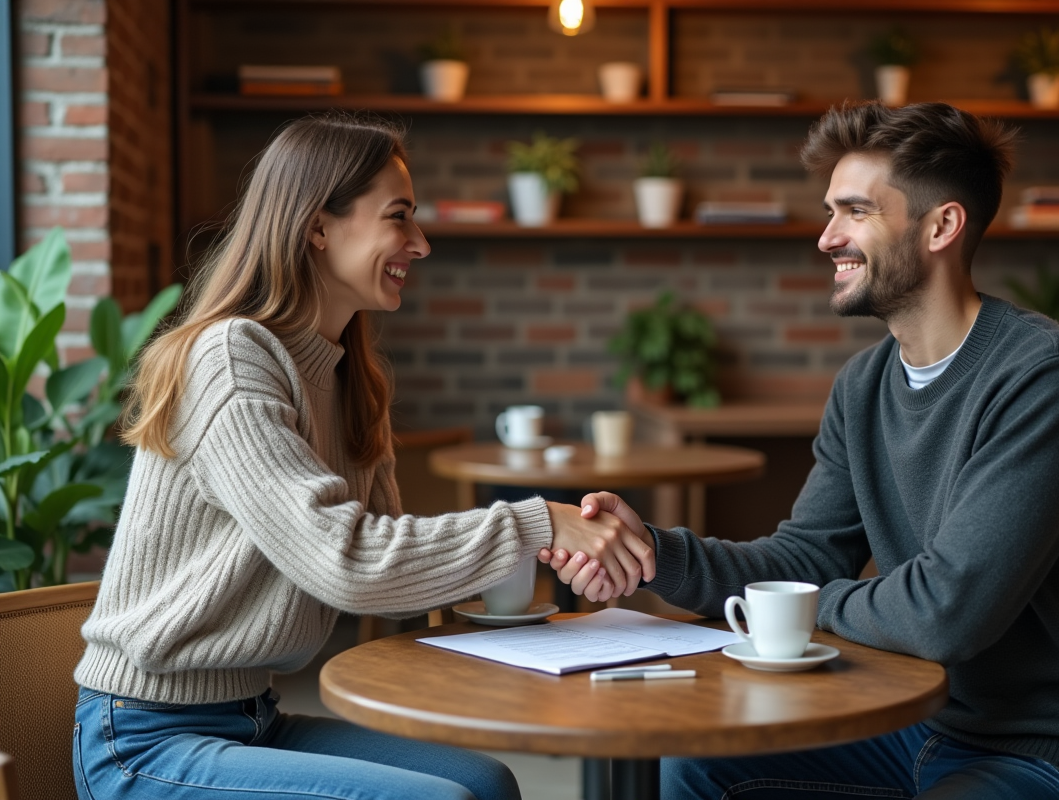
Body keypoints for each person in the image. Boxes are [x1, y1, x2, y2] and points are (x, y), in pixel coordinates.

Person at [542, 101, 1059, 800]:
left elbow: (946, 613)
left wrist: (800, 609)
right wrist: (656, 553)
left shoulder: (1046, 373)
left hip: (1054, 742)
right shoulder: (864, 384)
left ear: (941, 226)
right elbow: (804, 558)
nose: (826, 237)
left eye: (855, 212)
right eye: (829, 211)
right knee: (696, 769)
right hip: (919, 719)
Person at [72, 112, 653, 800]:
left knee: (485, 784)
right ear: (318, 226)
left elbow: (393, 577)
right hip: (144, 740)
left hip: (252, 718)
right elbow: (345, 562)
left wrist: (551, 575)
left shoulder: (351, 379)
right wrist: (541, 525)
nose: (422, 244)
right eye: (399, 218)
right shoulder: (232, 357)